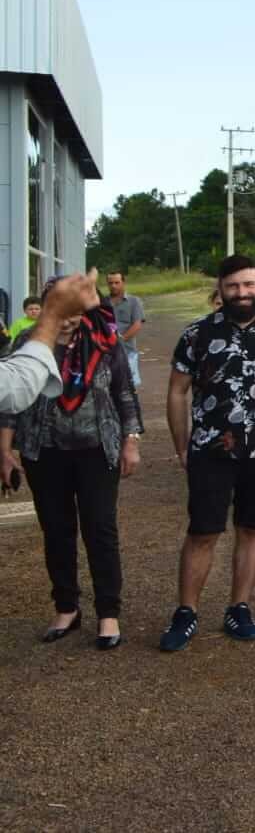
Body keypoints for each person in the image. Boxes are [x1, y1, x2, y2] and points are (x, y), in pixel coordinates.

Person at [160, 255, 255, 652]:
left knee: (252, 528)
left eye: (248, 285)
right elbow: (176, 391)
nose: (241, 293)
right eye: (233, 286)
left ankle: (238, 607)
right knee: (203, 531)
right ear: (221, 289)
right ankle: (186, 612)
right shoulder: (197, 334)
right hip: (210, 449)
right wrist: (181, 445)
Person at [1, 278, 142, 649]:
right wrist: (5, 449)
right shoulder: (28, 341)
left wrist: (131, 442)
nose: (69, 315)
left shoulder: (106, 339)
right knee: (56, 530)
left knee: (100, 529)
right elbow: (11, 402)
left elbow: (125, 393)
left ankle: (108, 613)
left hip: (98, 448)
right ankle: (66, 607)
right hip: (44, 450)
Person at [0, 274, 101, 413]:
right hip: (36, 422)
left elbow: (121, 387)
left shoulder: (101, 340)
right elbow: (15, 387)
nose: (65, 322)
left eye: (73, 313)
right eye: (61, 313)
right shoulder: (25, 337)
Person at [105, 271, 145, 390]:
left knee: (129, 386)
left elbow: (137, 325)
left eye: (117, 282)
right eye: (110, 283)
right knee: (108, 385)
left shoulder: (134, 301)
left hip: (128, 351)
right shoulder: (102, 302)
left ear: (123, 283)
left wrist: (120, 340)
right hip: (106, 353)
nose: (113, 286)